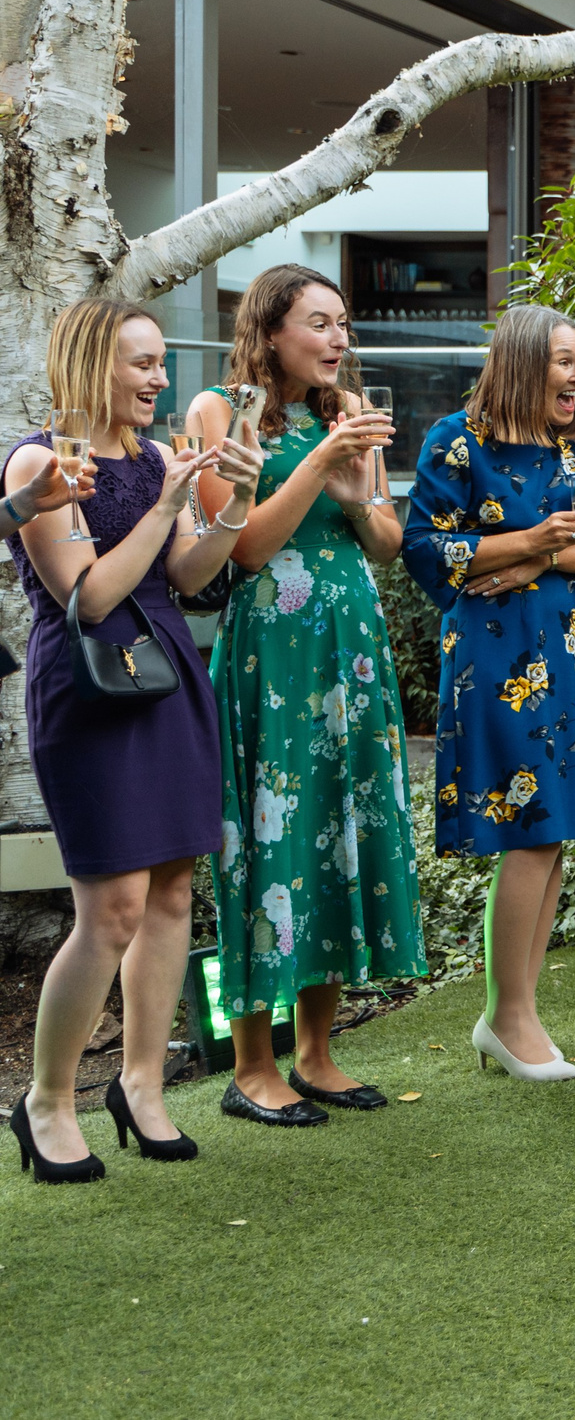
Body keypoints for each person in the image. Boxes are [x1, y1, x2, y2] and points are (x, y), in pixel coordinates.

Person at [6, 302, 260, 1183]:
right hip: (90, 687)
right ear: (91, 362)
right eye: (142, 363)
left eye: (159, 362)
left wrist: (236, 504)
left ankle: (142, 1084)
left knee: (172, 890)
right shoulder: (43, 462)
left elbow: (186, 577)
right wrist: (165, 507)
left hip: (168, 673)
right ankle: (47, 1099)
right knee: (110, 906)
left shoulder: (153, 458)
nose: (160, 377)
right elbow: (89, 596)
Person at [184, 265, 425, 1128]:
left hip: (351, 657)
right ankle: (252, 1066)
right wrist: (321, 464)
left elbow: (387, 543)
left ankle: (316, 1052)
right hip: (273, 663)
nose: (338, 339)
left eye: (343, 323)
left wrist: (358, 501)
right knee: (268, 839)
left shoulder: (345, 412)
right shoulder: (221, 414)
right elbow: (245, 547)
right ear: (270, 331)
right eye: (320, 323)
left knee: (339, 830)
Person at [401, 306, 575, 1080]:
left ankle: (515, 1012)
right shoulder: (457, 440)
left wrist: (535, 559)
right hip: (493, 659)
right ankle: (507, 1016)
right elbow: (425, 547)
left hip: (564, 653)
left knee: (553, 830)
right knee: (529, 830)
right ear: (524, 362)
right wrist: (532, 541)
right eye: (565, 360)